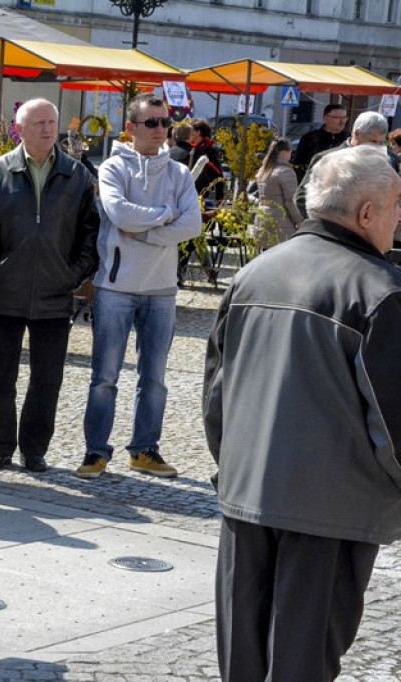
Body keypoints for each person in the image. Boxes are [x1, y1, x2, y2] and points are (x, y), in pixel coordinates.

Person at [203, 145, 401, 681]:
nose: (398, 218)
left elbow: (217, 397)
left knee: (242, 661)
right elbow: (395, 424)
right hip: (331, 513)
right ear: (366, 213)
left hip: (247, 497)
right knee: (302, 665)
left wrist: (237, 469)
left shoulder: (253, 274)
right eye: (395, 206)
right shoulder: (379, 292)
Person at [0, 98, 100, 473]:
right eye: (38, 122)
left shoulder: (77, 175)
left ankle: (34, 448)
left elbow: (91, 235)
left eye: (51, 122)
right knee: (0, 376)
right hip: (6, 292)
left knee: (47, 379)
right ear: (20, 129)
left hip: (55, 294)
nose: (47, 129)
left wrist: (72, 275)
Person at [76, 95, 202, 480]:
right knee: (105, 377)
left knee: (155, 379)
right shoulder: (113, 168)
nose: (161, 129)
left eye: (165, 122)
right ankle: (96, 452)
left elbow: (192, 225)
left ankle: (144, 450)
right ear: (130, 127)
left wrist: (144, 232)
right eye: (151, 123)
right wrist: (167, 217)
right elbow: (119, 213)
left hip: (162, 289)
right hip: (116, 286)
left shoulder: (179, 174)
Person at [295, 111, 392, 219]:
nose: (377, 147)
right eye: (373, 142)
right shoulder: (327, 158)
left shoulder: (385, 163)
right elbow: (301, 198)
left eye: (381, 143)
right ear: (357, 134)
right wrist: (323, 226)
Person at [248, 137, 302, 250]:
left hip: (262, 221)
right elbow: (290, 201)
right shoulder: (286, 172)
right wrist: (299, 221)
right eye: (290, 152)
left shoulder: (263, 171)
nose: (291, 155)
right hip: (282, 223)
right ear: (284, 152)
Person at [291, 103, 349, 179]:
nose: (342, 121)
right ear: (325, 119)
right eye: (337, 117)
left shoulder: (349, 139)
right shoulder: (309, 138)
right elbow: (298, 165)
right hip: (314, 182)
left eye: (344, 117)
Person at [188, 119, 225, 204]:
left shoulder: (209, 150)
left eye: (191, 130)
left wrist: (219, 197)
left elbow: (218, 173)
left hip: (202, 194)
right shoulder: (189, 148)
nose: (189, 133)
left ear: (198, 132)